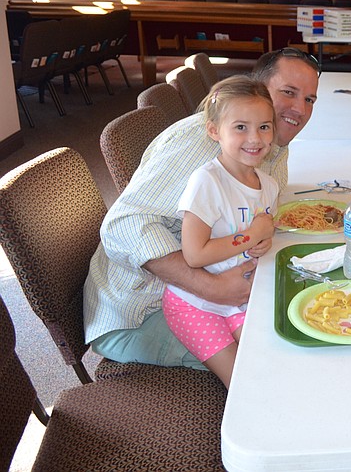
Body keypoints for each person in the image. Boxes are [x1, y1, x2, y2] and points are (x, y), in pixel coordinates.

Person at [83, 48, 320, 369]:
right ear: (258, 89)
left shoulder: (268, 142)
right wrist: (212, 288)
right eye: (288, 92)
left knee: (309, 315)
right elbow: (122, 224)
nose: (300, 110)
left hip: (218, 295)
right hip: (142, 311)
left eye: (309, 99)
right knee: (284, 359)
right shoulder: (206, 143)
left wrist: (259, 236)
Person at [163, 76, 278, 388]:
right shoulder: (207, 182)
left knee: (270, 360)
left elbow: (255, 231)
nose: (255, 138)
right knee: (244, 382)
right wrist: (252, 235)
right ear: (214, 131)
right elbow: (194, 254)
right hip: (194, 304)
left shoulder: (269, 185)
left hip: (238, 298)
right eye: (240, 127)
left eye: (264, 126)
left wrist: (263, 240)